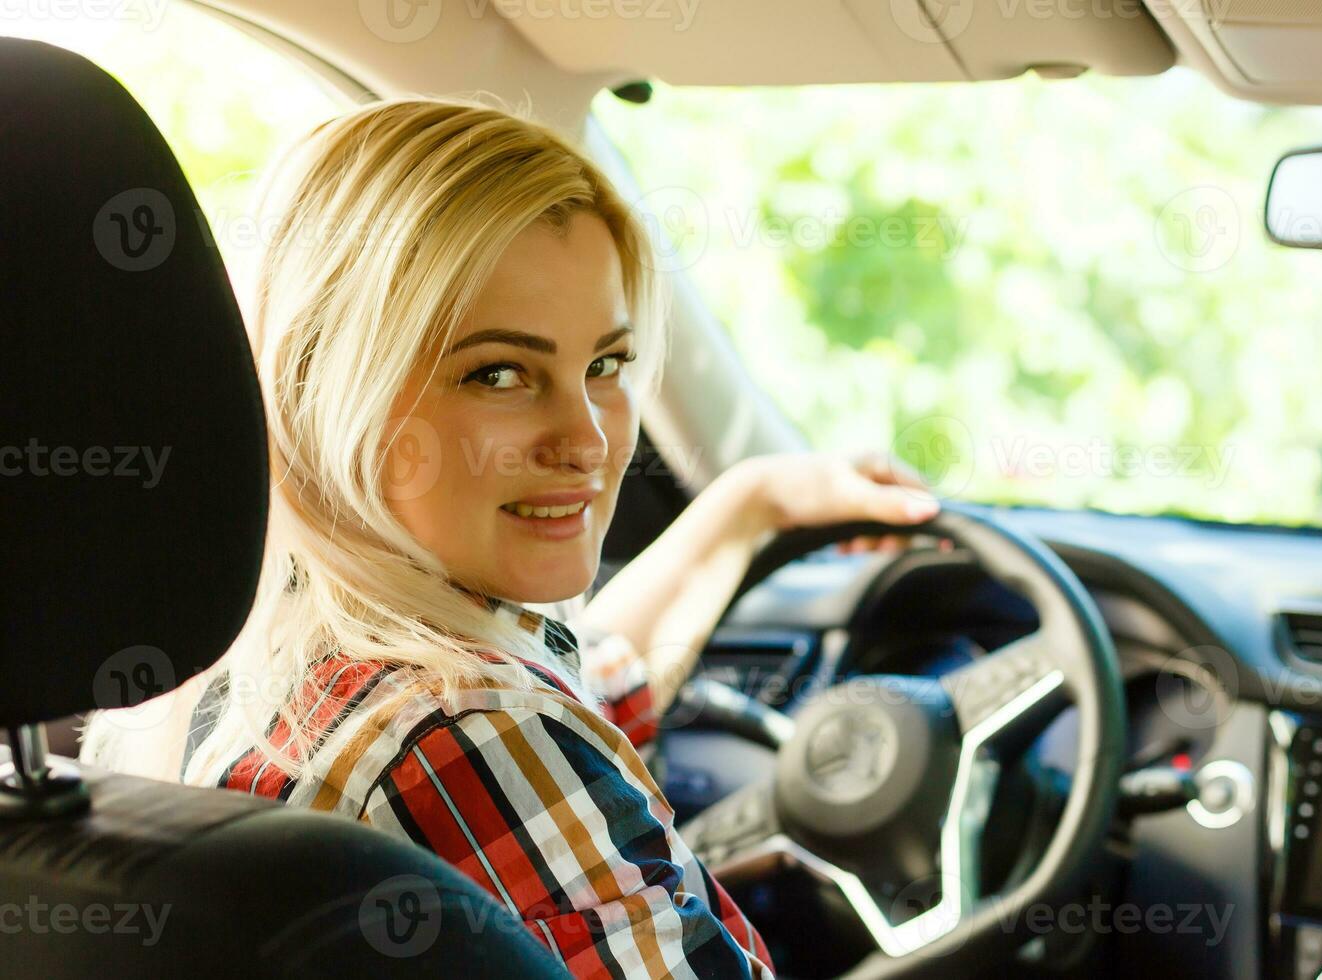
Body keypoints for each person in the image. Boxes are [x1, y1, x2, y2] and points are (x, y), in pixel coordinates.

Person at [82, 97, 940, 977]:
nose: (591, 440)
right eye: (499, 373)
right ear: (329, 381)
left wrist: (751, 504)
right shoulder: (466, 732)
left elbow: (584, 673)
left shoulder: (247, 670)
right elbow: (510, 719)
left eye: (604, 365)